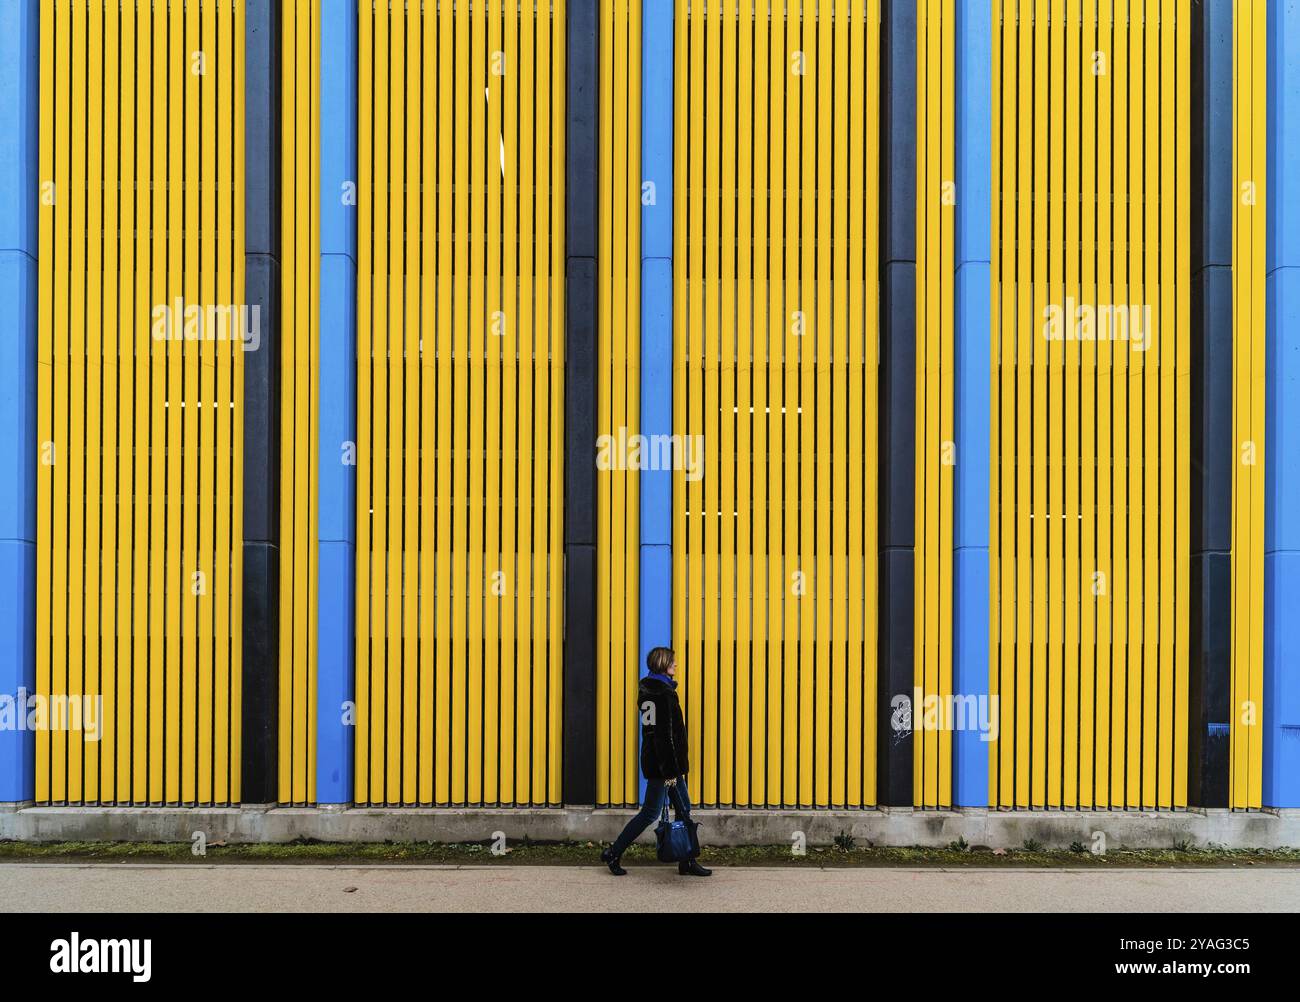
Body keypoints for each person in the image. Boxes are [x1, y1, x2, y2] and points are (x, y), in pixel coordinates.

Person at [600, 647, 712, 877]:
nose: (676, 665)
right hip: (665, 765)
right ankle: (614, 852)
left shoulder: (648, 690)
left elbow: (652, 733)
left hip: (660, 762)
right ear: (663, 663)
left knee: (680, 809)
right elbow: (662, 736)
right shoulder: (663, 693)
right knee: (654, 813)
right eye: (672, 661)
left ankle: (686, 861)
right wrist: (670, 770)